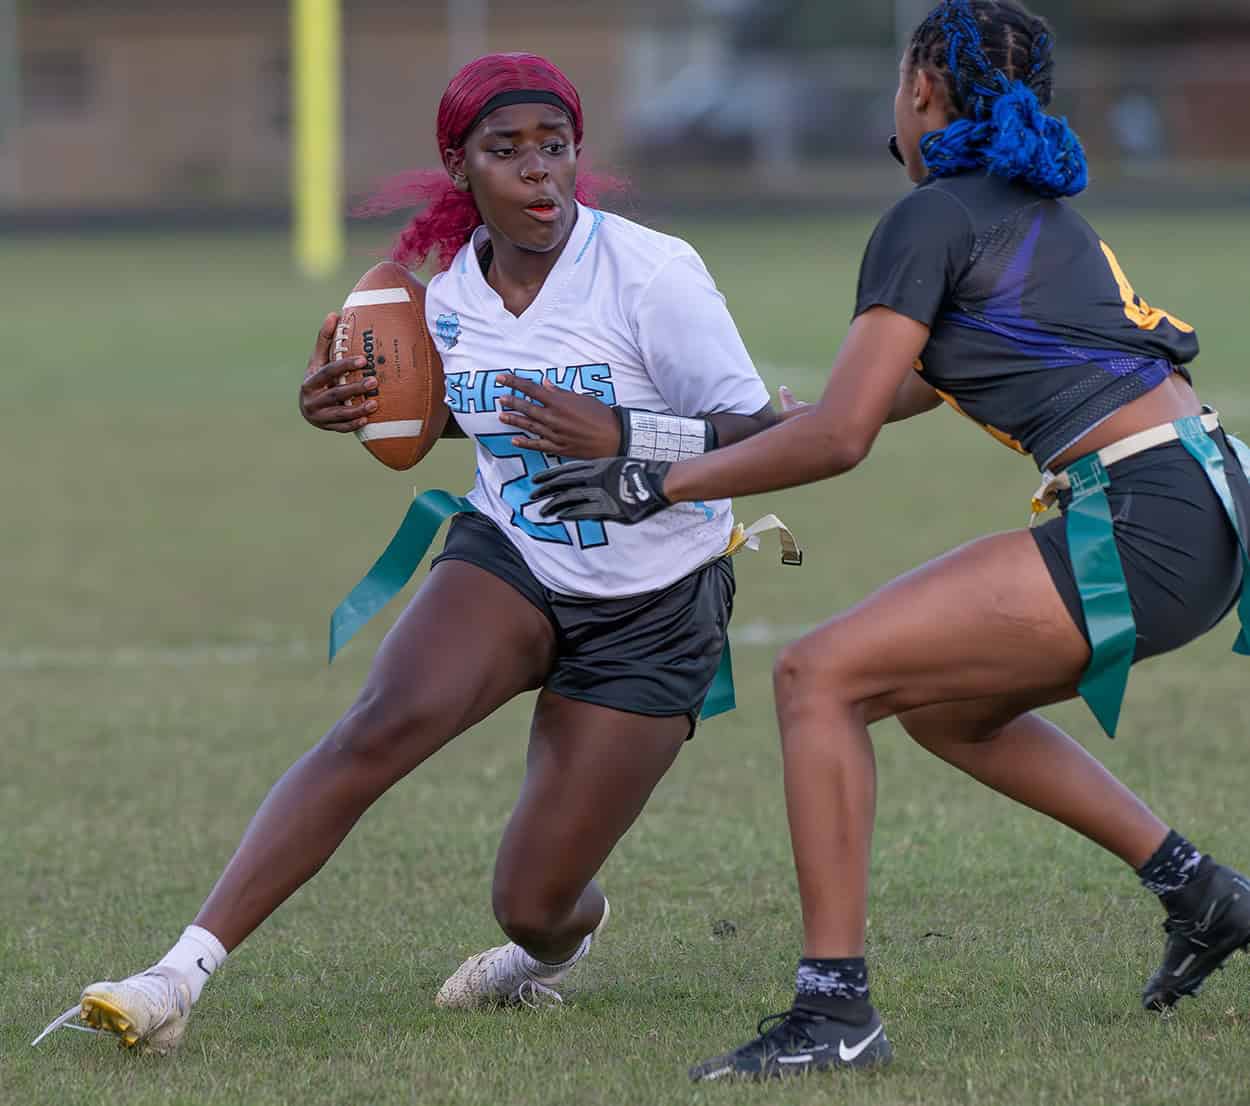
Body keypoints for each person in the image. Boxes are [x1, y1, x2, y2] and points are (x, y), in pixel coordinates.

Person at [529, 0, 1250, 1081]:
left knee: (818, 676)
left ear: (920, 89)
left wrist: (648, 481)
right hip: (1198, 498)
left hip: (1143, 512)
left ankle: (834, 1012)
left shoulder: (930, 217)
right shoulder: (1017, 212)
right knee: (949, 713)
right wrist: (654, 436)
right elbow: (837, 411)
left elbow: (838, 438)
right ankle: (1199, 889)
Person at [34, 52, 778, 1055]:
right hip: (511, 554)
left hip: (655, 595)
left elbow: (762, 431)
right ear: (458, 165)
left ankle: (549, 948)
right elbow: (467, 419)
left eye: (553, 148)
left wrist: (626, 435)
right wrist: (349, 409)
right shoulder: (443, 300)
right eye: (506, 151)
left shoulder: (652, 271)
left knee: (531, 897)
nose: (537, 172)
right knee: (380, 724)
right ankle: (174, 976)